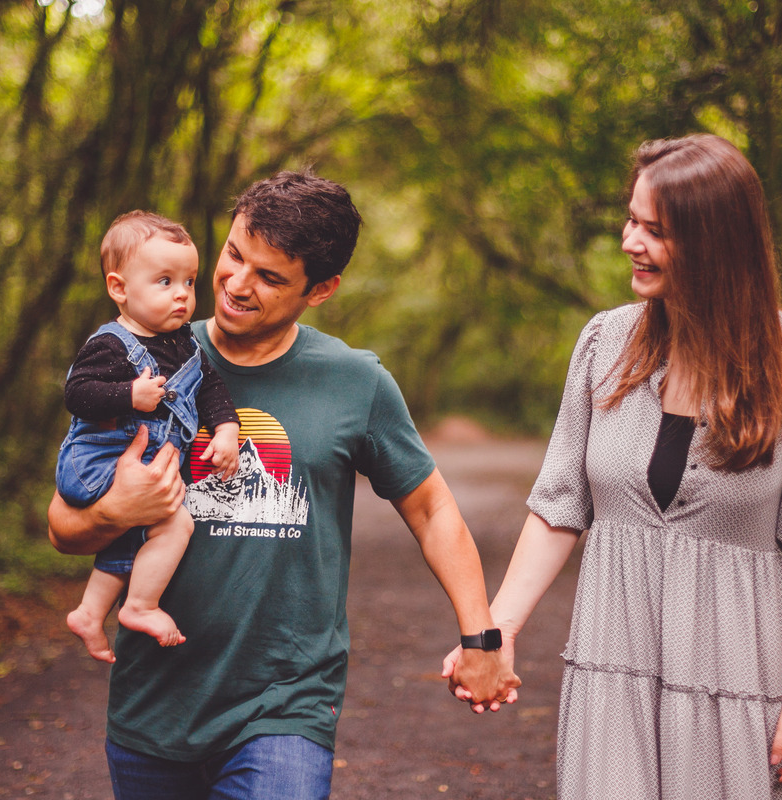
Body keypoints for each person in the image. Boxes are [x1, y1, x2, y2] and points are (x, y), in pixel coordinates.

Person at [48, 171, 519, 800]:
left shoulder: (356, 383)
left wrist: (480, 637)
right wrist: (118, 508)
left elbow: (432, 509)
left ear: (321, 289)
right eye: (235, 255)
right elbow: (63, 527)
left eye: (270, 277)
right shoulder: (140, 356)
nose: (237, 286)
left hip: (286, 703)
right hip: (153, 703)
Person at [444, 134, 782, 798]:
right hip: (616, 674)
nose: (630, 242)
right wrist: (495, 633)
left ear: (716, 243)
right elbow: (558, 507)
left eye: (656, 230)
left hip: (745, 684)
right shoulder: (604, 344)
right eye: (632, 220)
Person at [59, 211, 243, 662]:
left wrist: (226, 430)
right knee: (174, 522)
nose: (182, 295)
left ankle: (90, 610)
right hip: (97, 462)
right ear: (119, 288)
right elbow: (77, 394)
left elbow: (211, 389)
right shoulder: (110, 344)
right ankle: (140, 605)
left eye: (189, 281)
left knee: (137, 534)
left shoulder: (186, 344)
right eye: (164, 281)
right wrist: (128, 394)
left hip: (139, 467)